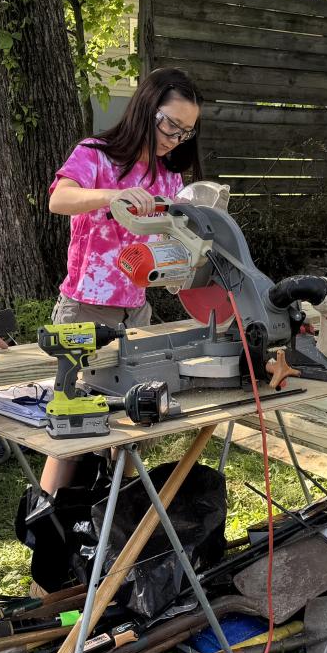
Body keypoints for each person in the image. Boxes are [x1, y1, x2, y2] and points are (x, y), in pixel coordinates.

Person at [36, 68, 202, 497]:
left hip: (137, 312)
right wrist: (113, 196)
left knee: (135, 419)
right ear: (147, 108)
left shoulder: (168, 176)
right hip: (85, 310)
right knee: (72, 424)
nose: (175, 138)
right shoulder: (96, 154)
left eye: (185, 132)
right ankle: (45, 516)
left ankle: (116, 512)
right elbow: (59, 199)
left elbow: (173, 239)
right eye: (170, 125)